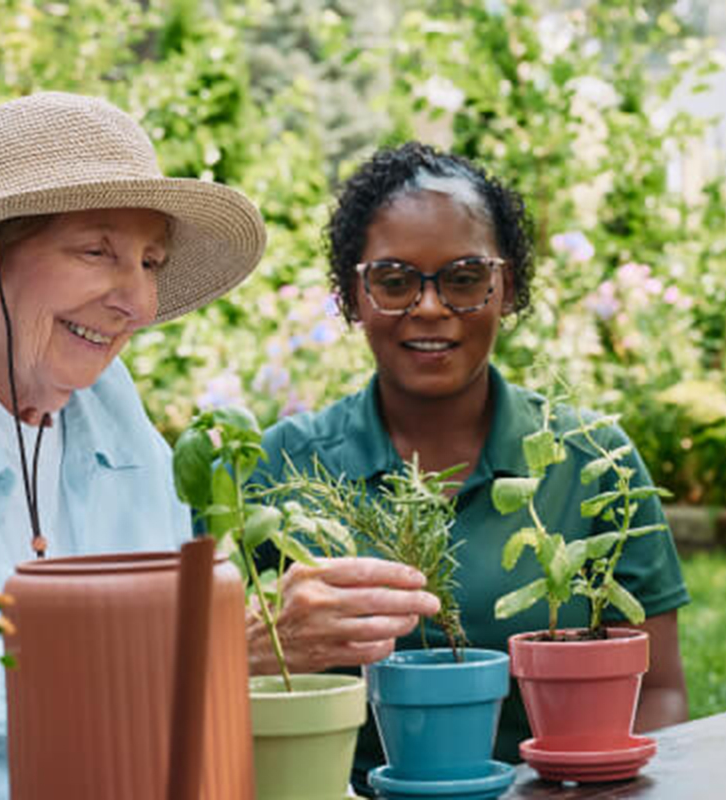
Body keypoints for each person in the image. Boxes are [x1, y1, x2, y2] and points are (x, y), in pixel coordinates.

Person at [0, 92, 439, 799]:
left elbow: (158, 669)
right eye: (96, 251)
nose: (137, 303)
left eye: (149, 261)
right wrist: (224, 650)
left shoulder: (107, 406)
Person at [256, 142, 691, 796]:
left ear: (506, 287)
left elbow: (659, 692)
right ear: (353, 295)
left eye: (463, 277)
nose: (429, 308)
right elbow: (222, 686)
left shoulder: (593, 461)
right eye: (395, 280)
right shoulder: (282, 467)